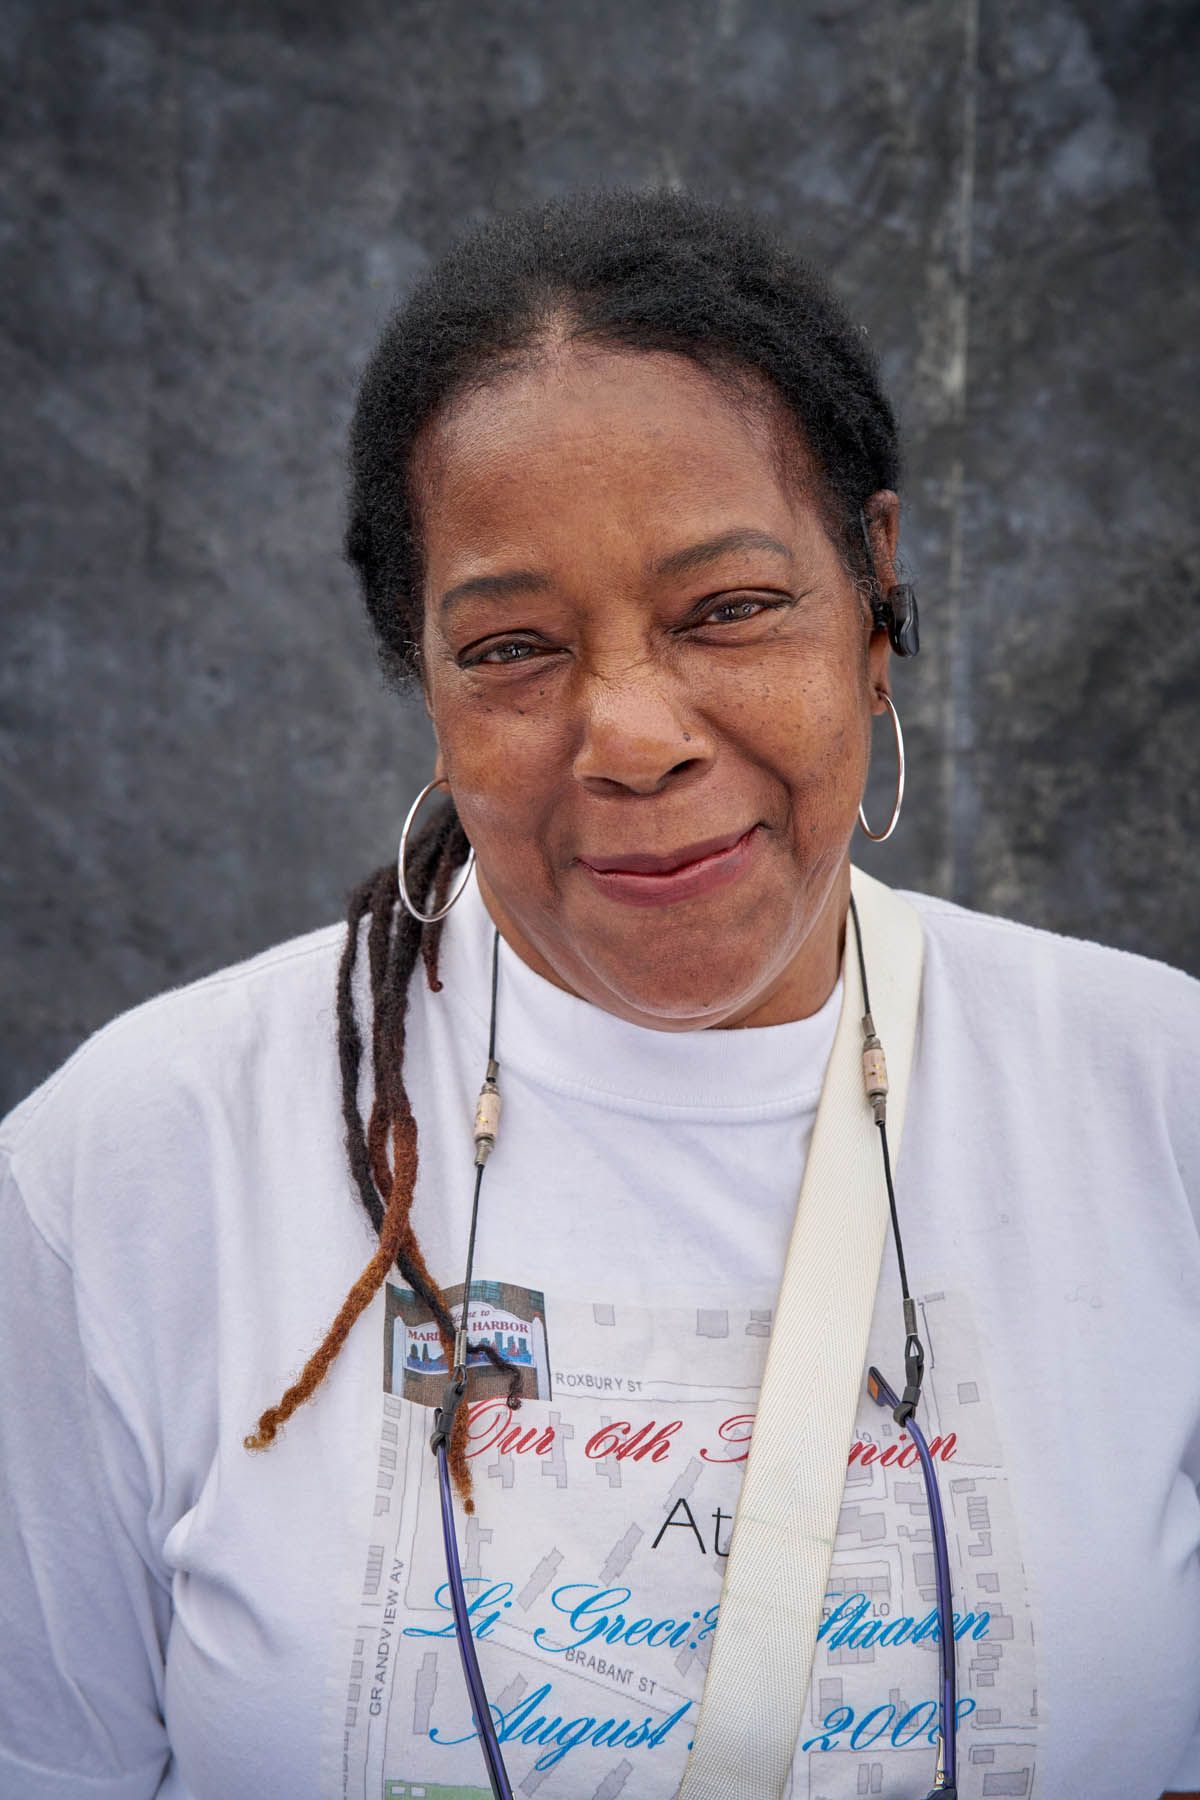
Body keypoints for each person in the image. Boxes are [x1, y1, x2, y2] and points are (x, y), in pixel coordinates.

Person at [0, 186, 1196, 1800]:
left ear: (876, 599)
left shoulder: (1160, 1104)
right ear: (421, 675)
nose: (634, 736)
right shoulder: (131, 1168)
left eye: (731, 610)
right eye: (512, 647)